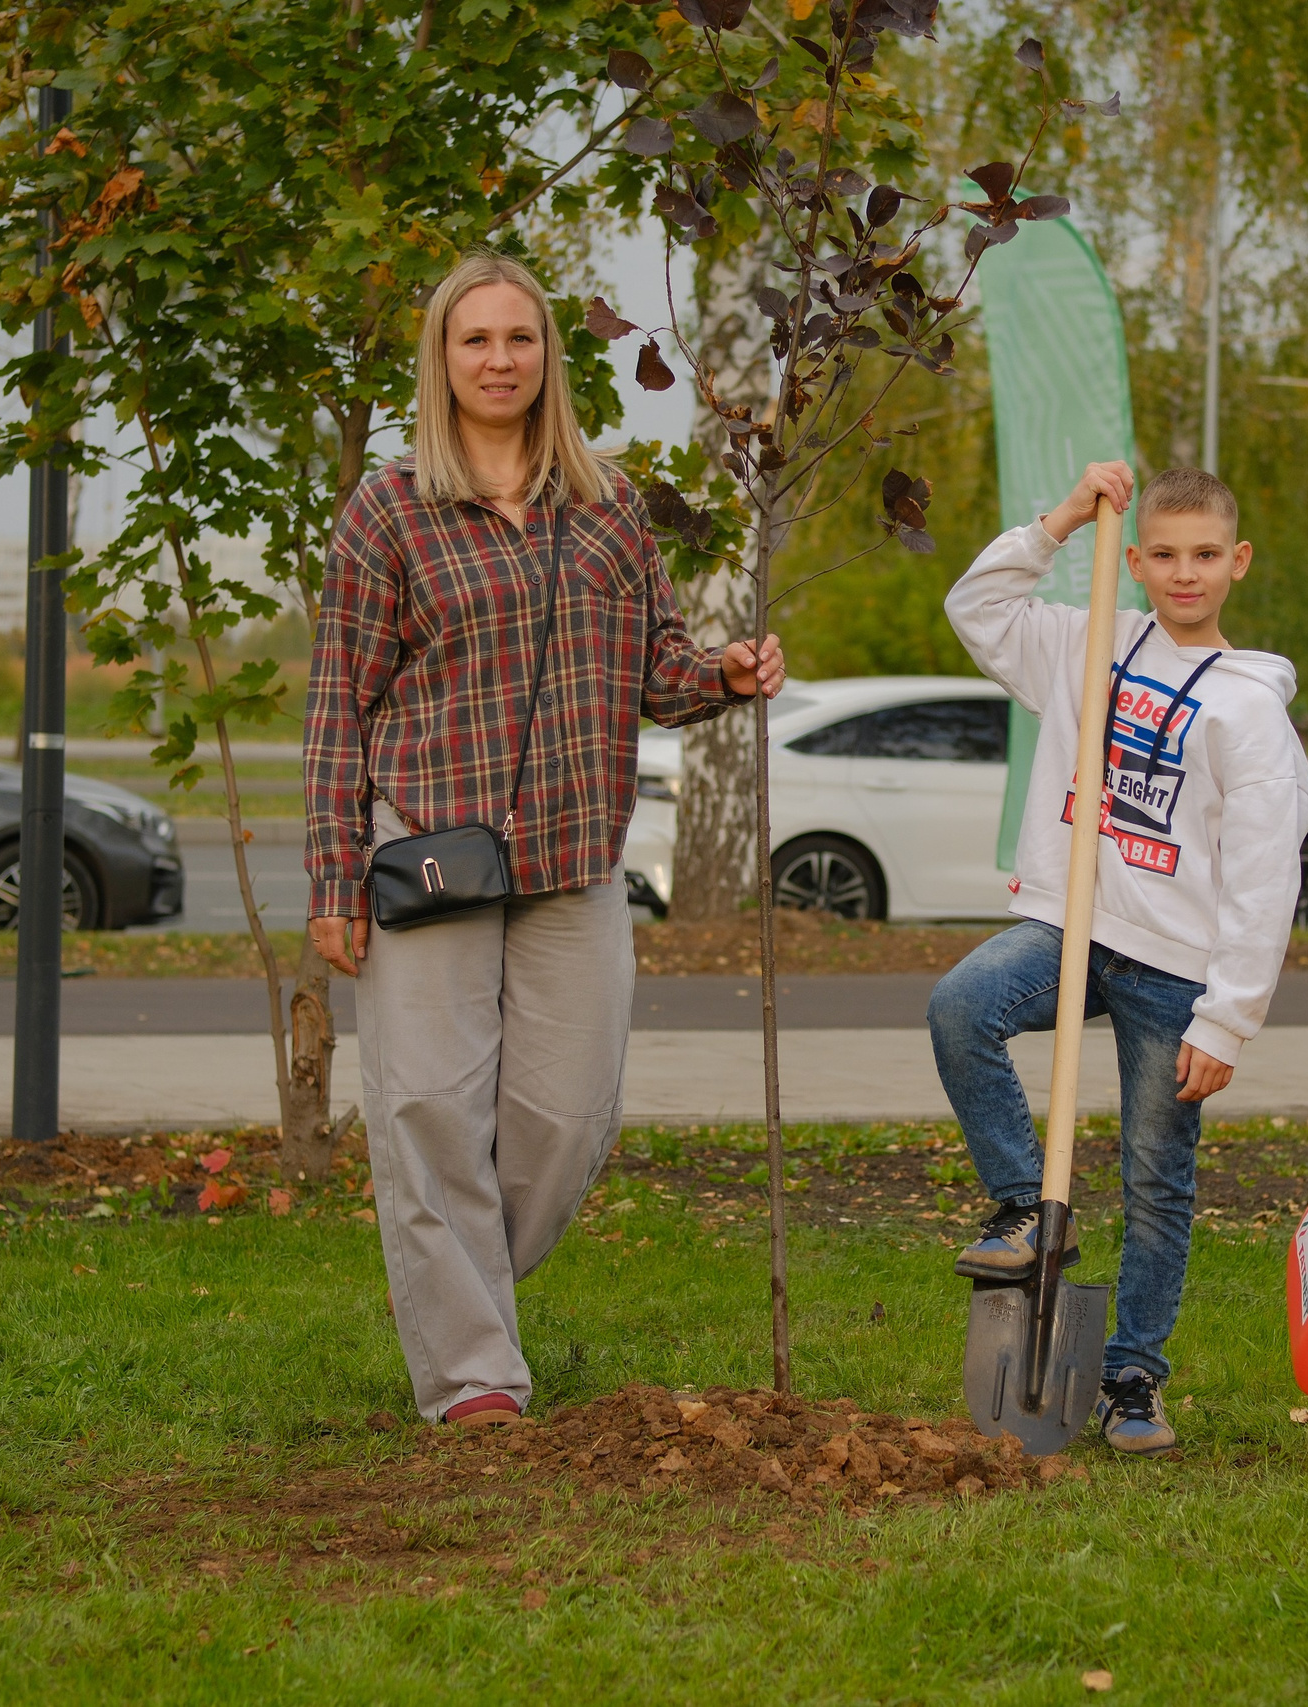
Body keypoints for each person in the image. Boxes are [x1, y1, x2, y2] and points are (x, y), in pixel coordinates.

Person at [301, 250, 784, 1430]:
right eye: (475, 340)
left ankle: (457, 1293)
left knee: (568, 1122)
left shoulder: (607, 505)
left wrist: (720, 674)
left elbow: (656, 667)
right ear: (442, 359)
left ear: (548, 356)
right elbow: (336, 706)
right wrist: (331, 876)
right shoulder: (388, 510)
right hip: (432, 852)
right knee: (428, 1112)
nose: (499, 359)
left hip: (574, 858)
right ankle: (474, 1378)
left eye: (520, 338)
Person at [928, 460, 1308, 1456]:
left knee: (1156, 1176)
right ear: (1134, 561)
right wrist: (1061, 520)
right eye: (1166, 555)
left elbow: (1265, 875)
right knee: (961, 1006)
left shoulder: (1248, 710)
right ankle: (1027, 1207)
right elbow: (976, 606)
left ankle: (1131, 1376)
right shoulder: (1087, 638)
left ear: (1238, 562)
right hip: (1070, 924)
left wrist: (1227, 1016)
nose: (1185, 574)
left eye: (1205, 555)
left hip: (1174, 963)